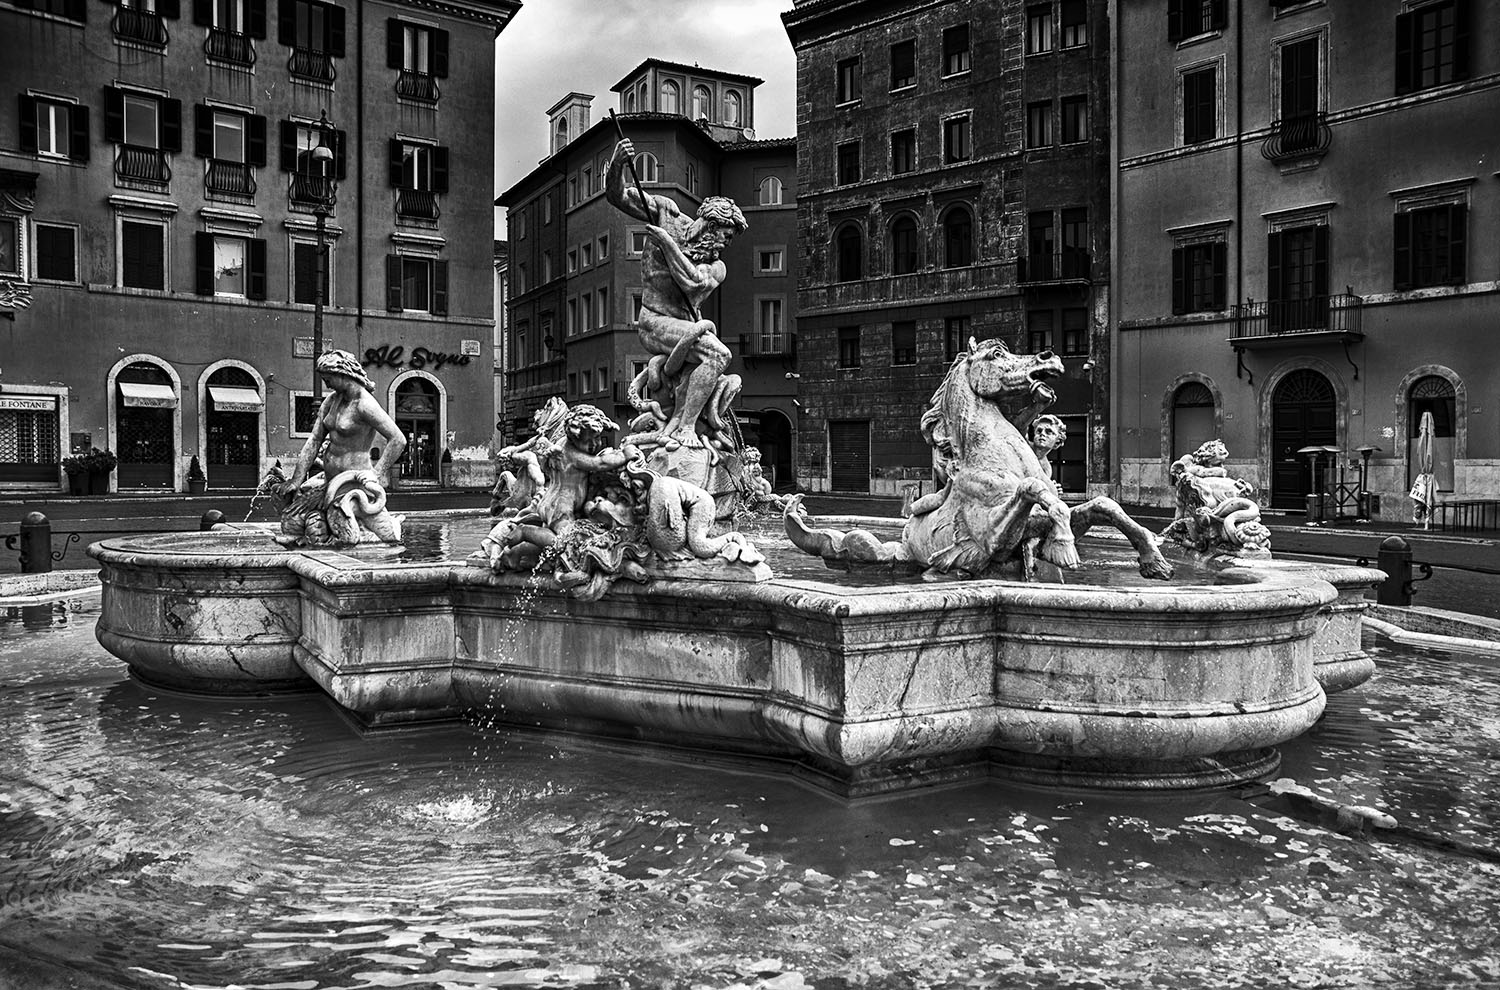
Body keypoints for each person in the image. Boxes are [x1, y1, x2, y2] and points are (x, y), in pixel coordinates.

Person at [606, 137, 748, 445]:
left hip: (686, 326)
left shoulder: (716, 266)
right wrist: (618, 163)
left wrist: (667, 245)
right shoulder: (666, 213)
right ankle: (683, 429)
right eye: (724, 236)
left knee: (717, 357)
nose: (725, 244)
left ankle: (686, 426)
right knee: (718, 352)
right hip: (655, 321)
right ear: (710, 224)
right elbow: (617, 197)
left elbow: (693, 284)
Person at [282, 350, 407, 544]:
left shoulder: (365, 405)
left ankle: (390, 526)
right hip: (330, 481)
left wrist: (377, 473)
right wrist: (296, 480)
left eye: (328, 378)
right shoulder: (332, 400)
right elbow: (314, 440)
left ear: (343, 373)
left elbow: (398, 439)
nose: (326, 383)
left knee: (346, 527)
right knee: (291, 520)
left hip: (354, 484)